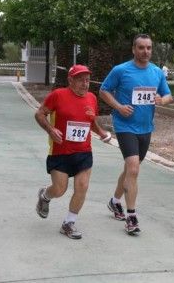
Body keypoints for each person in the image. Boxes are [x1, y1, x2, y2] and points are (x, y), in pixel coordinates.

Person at [100, 34, 172, 235]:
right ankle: (131, 217)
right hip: (125, 126)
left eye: (149, 48)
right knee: (133, 168)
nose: (145, 51)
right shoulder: (121, 70)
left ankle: (115, 201)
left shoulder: (157, 73)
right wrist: (119, 107)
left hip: (145, 128)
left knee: (131, 169)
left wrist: (162, 100)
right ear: (133, 49)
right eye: (141, 48)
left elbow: (168, 94)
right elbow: (104, 90)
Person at [35, 64, 111, 240]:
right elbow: (39, 114)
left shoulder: (92, 98)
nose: (85, 84)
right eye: (80, 80)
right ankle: (45, 196)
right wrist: (50, 130)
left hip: (83, 152)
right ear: (70, 80)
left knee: (82, 187)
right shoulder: (58, 95)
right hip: (60, 152)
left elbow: (91, 121)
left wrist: (101, 133)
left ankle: (68, 223)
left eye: (87, 80)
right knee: (60, 189)